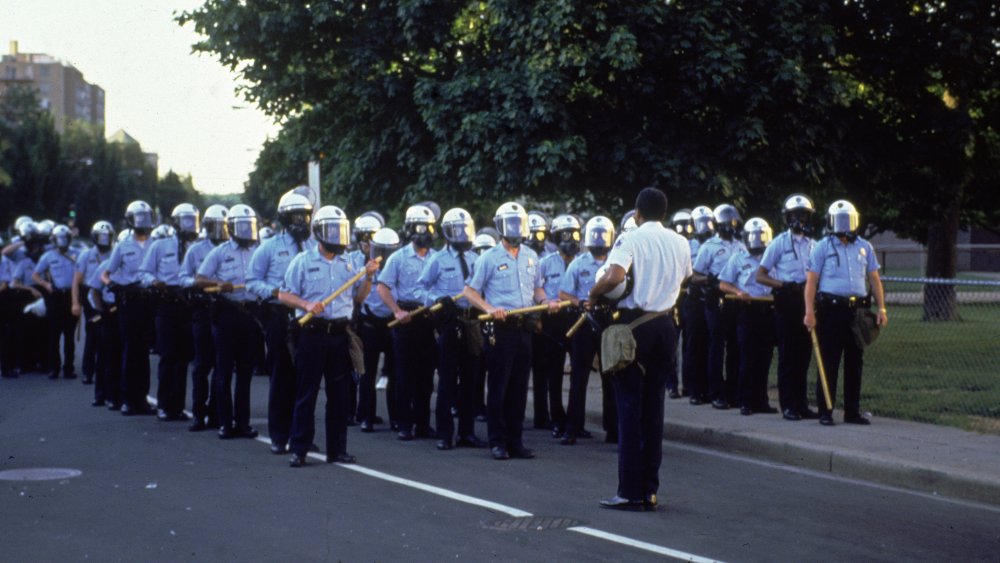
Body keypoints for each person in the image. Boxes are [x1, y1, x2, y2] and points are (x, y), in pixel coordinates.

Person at [590, 187, 690, 511]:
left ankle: (629, 491)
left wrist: (594, 294)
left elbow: (614, 276)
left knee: (629, 408)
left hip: (634, 326)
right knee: (654, 408)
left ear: (637, 212)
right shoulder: (681, 241)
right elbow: (685, 277)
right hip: (666, 325)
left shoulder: (630, 238)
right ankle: (650, 490)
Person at [280, 205, 378, 467]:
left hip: (340, 334)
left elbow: (358, 297)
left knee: (340, 395)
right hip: (312, 334)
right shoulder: (302, 261)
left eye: (340, 230)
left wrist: (368, 278)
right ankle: (299, 448)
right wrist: (306, 304)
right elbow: (284, 295)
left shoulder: (350, 263)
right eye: (332, 231)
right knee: (307, 392)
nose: (338, 236)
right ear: (321, 232)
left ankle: (337, 450)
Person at [464, 201, 558, 461]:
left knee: (519, 387)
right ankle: (498, 441)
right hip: (500, 328)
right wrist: (490, 307)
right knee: (499, 386)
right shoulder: (489, 258)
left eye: (519, 223)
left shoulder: (531, 256)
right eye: (511, 224)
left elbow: (537, 289)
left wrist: (545, 302)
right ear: (501, 226)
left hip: (524, 328)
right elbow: (470, 291)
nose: (517, 229)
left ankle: (515, 441)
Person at [804, 200, 887, 426]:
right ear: (831, 222)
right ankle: (826, 411)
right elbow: (811, 282)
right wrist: (809, 311)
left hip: (858, 311)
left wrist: (881, 308)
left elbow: (874, 279)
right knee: (829, 360)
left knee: (855, 361)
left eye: (847, 221)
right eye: (839, 221)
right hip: (831, 310)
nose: (843, 226)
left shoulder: (865, 247)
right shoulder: (822, 247)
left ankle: (852, 411)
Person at [246, 191, 315, 454]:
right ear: (285, 218)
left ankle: (302, 435)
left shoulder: (312, 246)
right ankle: (279, 434)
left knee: (305, 378)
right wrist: (274, 292)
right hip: (279, 315)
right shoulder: (269, 247)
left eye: (306, 216)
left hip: (307, 317)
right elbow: (252, 281)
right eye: (297, 216)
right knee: (281, 374)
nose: (302, 222)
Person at [418, 207, 488, 450]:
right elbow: (420, 289)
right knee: (448, 378)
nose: (461, 235)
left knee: (471, 378)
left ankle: (467, 432)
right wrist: (437, 299)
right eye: (456, 230)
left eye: (464, 229)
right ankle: (445, 432)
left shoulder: (476, 259)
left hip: (471, 321)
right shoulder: (438, 259)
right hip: (449, 320)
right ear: (447, 233)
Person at [196, 203, 262, 439]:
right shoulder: (220, 252)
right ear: (232, 227)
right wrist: (217, 284)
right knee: (224, 370)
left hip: (250, 313)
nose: (246, 231)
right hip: (226, 312)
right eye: (242, 226)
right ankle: (225, 422)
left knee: (245, 372)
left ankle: (243, 423)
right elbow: (199, 279)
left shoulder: (258, 250)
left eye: (249, 226)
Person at [378, 204, 437, 441]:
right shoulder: (398, 257)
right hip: (405, 320)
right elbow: (383, 287)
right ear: (410, 229)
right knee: (404, 375)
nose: (425, 233)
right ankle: (404, 423)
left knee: (426, 376)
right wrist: (396, 310)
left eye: (429, 228)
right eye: (421, 228)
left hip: (427, 318)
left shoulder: (437, 258)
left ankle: (422, 424)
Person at [756, 194, 819, 421]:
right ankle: (788, 405)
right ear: (788, 217)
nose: (800, 219)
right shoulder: (779, 243)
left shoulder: (814, 245)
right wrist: (781, 284)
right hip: (786, 300)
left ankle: (802, 404)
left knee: (804, 356)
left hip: (806, 301)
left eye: (803, 215)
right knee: (788, 355)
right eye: (795, 215)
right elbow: (760, 275)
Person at [139, 204, 201, 421]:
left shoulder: (198, 247)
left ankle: (178, 405)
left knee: (184, 356)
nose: (190, 225)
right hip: (167, 302)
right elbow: (144, 273)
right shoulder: (161, 246)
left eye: (192, 220)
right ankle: (164, 405)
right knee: (168, 354)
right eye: (185, 221)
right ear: (176, 222)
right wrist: (154, 282)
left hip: (188, 302)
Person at [558, 215, 616, 445]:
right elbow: (564, 293)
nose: (599, 239)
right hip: (584, 322)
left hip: (609, 322)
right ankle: (573, 428)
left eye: (603, 234)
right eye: (595, 234)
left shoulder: (616, 262)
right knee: (578, 377)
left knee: (610, 377)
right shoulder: (579, 263)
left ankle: (613, 430)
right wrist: (578, 303)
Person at [719, 217, 777, 416]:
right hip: (748, 310)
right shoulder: (738, 258)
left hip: (768, 310)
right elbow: (723, 283)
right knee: (747, 357)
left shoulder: (771, 257)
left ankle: (762, 401)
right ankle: (745, 401)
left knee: (765, 357)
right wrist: (737, 293)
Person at [103, 201, 156, 415]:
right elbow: (107, 273)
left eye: (146, 217)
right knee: (129, 350)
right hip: (129, 300)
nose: (144, 222)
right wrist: (113, 285)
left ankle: (142, 398)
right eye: (139, 218)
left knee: (144, 352)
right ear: (131, 220)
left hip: (148, 300)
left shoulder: (155, 243)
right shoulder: (123, 245)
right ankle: (127, 399)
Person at [531, 214, 582, 436]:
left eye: (574, 234)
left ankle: (574, 419)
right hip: (552, 318)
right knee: (552, 370)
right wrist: (539, 318)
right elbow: (536, 290)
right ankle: (553, 416)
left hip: (578, 317)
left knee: (579, 370)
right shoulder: (545, 263)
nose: (570, 239)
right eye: (564, 234)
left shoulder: (583, 261)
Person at [691, 204, 744, 409]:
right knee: (716, 347)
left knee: (735, 347)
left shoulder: (740, 246)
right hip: (716, 299)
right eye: (727, 223)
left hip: (736, 299)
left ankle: (733, 392)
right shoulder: (709, 246)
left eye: (734, 222)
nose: (731, 226)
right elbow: (694, 276)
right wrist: (709, 280)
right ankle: (716, 393)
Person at [181, 204, 228, 431]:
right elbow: (184, 278)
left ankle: (218, 414)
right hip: (202, 308)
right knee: (202, 364)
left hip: (225, 308)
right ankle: (199, 413)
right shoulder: (196, 250)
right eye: (215, 226)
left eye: (223, 227)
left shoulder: (232, 249)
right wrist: (206, 284)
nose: (219, 231)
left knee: (222, 364)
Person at [356, 227, 399, 432]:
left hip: (392, 324)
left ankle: (396, 417)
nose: (384, 256)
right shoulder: (365, 268)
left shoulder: (397, 266)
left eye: (389, 251)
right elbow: (358, 296)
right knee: (368, 373)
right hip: (370, 324)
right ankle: (367, 415)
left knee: (394, 373)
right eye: (380, 250)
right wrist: (368, 276)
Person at [32, 224, 80, 380]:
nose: (62, 241)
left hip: (70, 296)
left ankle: (69, 368)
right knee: (53, 335)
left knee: (69, 336)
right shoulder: (48, 256)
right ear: (53, 240)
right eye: (59, 238)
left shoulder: (77, 254)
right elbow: (36, 275)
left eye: (65, 238)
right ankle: (54, 368)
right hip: (55, 297)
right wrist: (46, 284)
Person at [73, 221, 114, 385]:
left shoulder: (114, 253)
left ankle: (105, 371)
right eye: (101, 236)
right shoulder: (85, 255)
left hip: (110, 296)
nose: (104, 240)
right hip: (90, 295)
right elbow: (77, 280)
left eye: (107, 237)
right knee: (92, 334)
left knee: (108, 336)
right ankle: (88, 371)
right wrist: (75, 302)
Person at [683, 205, 714, 404]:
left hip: (711, 298)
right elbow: (688, 275)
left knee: (710, 345)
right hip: (693, 297)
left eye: (708, 221)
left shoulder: (715, 243)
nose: (704, 226)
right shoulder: (687, 245)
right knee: (694, 344)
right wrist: (706, 280)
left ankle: (709, 388)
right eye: (699, 223)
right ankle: (693, 389)